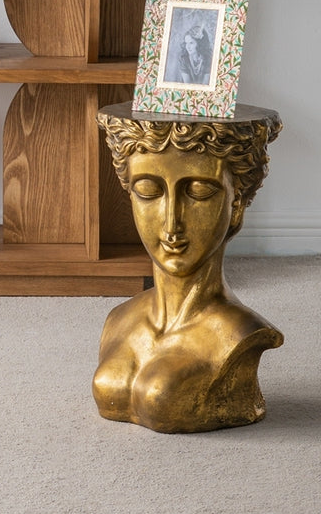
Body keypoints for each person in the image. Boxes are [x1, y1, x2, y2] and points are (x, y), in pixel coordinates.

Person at [93, 111, 283, 433]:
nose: (171, 224)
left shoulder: (240, 334)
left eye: (198, 192)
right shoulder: (119, 319)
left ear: (236, 203)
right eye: (149, 192)